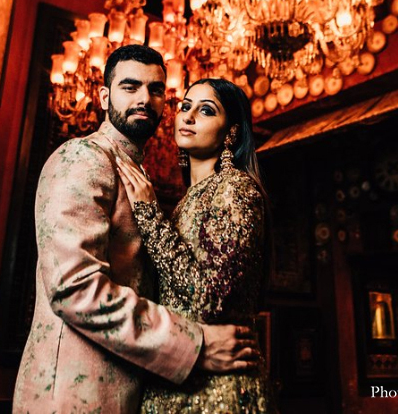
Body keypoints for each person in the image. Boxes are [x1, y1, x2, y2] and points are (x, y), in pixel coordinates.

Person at [13, 46, 257, 414]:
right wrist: (196, 345)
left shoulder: (141, 176)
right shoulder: (82, 157)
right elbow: (75, 289)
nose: (145, 98)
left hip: (130, 394)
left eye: (156, 89)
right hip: (71, 397)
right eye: (130, 86)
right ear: (104, 96)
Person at [115, 77, 273, 413]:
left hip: (216, 390)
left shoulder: (236, 190)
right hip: (176, 377)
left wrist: (148, 213)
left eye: (205, 110)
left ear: (230, 132)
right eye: (185, 106)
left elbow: (208, 298)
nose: (186, 116)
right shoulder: (189, 200)